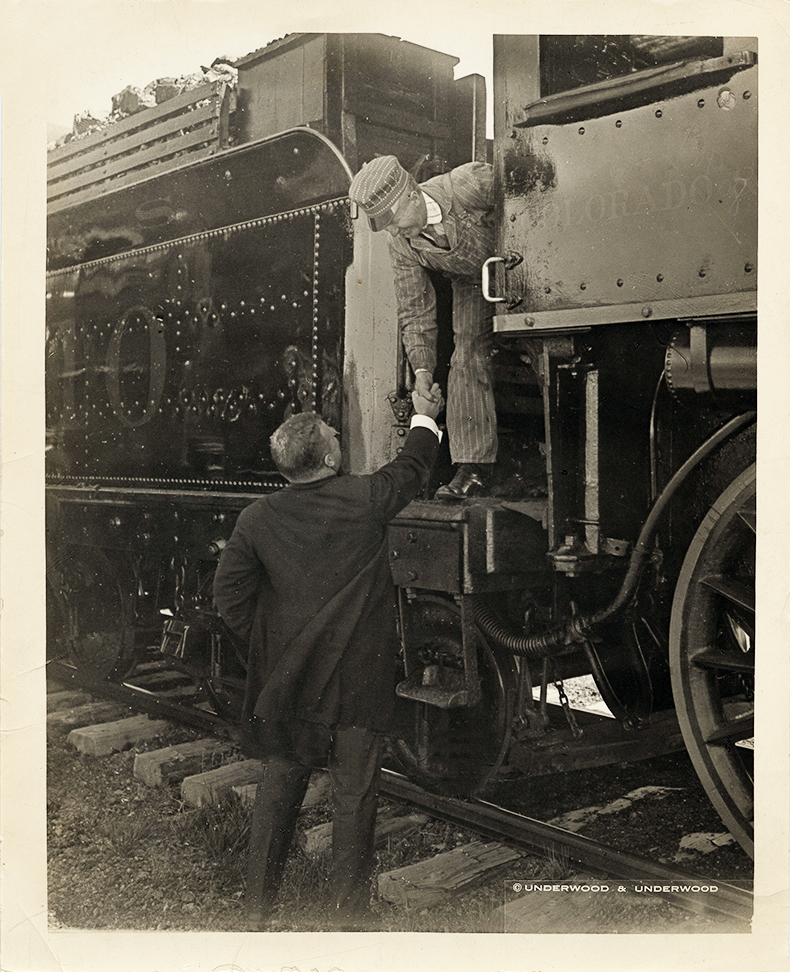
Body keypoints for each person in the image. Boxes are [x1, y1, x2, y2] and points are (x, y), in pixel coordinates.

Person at [212, 385, 443, 931]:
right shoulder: (363, 500)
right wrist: (425, 415)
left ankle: (256, 911)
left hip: (290, 679)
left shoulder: (257, 518)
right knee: (355, 794)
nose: (341, 439)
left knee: (281, 784)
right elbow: (412, 467)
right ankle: (345, 920)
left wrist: (270, 646)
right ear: (331, 457)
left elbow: (229, 598)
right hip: (359, 678)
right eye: (337, 437)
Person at [349, 154, 497, 500]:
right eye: (385, 224)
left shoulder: (469, 184)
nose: (394, 230)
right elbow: (415, 310)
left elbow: (533, 203)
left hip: (524, 265)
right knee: (466, 354)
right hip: (474, 285)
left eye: (395, 219)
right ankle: (473, 467)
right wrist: (422, 370)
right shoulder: (400, 243)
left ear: (413, 193)